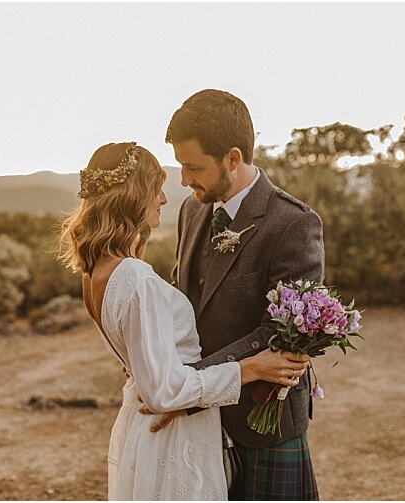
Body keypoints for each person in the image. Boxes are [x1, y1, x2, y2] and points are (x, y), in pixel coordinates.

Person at [58, 142, 307, 500]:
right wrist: (252, 368)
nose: (162, 198)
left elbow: (149, 367)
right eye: (154, 188)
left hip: (147, 429)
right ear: (133, 196)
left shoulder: (96, 272)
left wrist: (148, 365)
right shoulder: (134, 277)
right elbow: (165, 392)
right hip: (173, 437)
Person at [164, 89, 325, 500]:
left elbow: (277, 335)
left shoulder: (293, 223)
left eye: (193, 167)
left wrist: (190, 383)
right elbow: (180, 296)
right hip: (197, 423)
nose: (184, 179)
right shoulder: (192, 210)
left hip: (261, 425)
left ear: (232, 159)